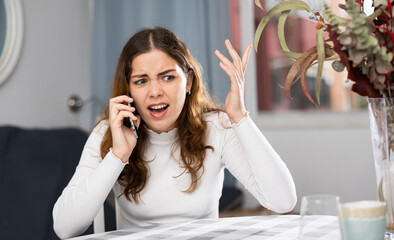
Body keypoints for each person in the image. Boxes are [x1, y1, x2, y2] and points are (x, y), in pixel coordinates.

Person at [52, 27, 296, 239]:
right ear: (128, 89)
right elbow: (64, 228)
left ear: (188, 82)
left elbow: (283, 202)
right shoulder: (109, 132)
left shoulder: (217, 127)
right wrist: (118, 155)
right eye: (141, 81)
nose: (155, 91)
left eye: (167, 77)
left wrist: (240, 117)